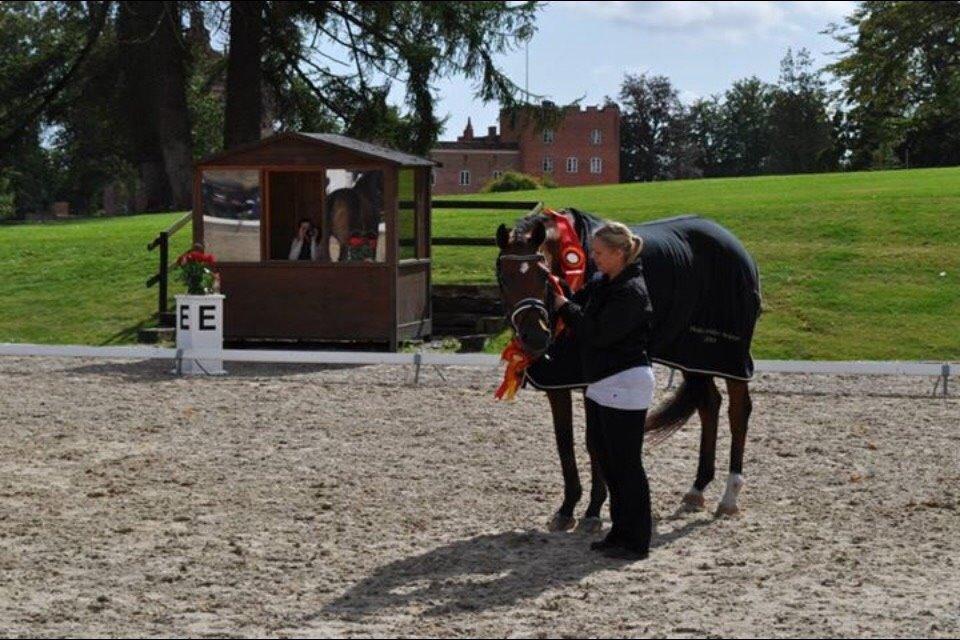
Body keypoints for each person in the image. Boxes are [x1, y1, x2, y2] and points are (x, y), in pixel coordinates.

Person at [551, 222, 655, 560]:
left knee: (626, 464)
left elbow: (597, 333)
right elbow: (576, 301)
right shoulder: (604, 283)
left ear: (619, 253)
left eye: (598, 253)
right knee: (608, 462)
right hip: (601, 384)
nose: (593, 259)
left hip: (625, 382)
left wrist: (564, 306)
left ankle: (637, 540)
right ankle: (619, 532)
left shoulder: (631, 292)